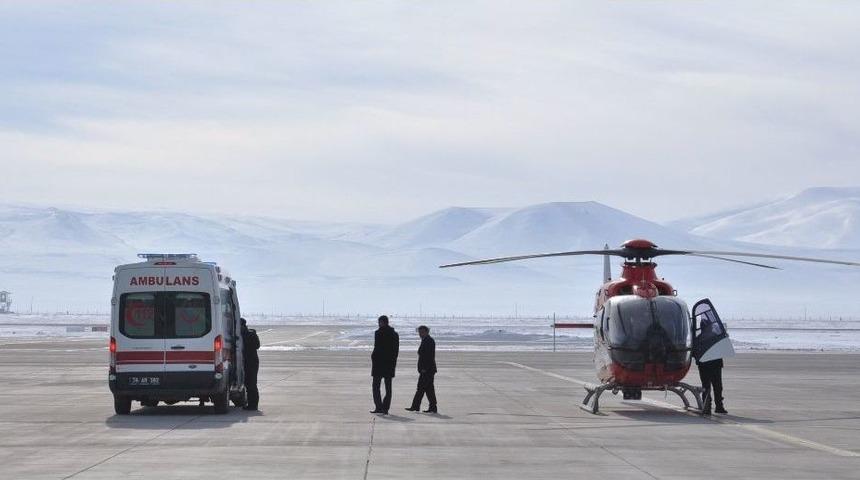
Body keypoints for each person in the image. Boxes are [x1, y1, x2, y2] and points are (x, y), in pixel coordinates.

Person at [370, 315, 399, 414]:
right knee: (388, 388)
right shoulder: (394, 334)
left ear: (383, 322)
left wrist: (373, 357)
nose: (379, 324)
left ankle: (379, 407)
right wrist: (393, 362)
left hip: (379, 363)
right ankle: (385, 408)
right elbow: (396, 351)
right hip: (389, 364)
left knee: (376, 387)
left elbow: (377, 348)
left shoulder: (378, 333)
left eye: (379, 322)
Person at [406, 325, 437, 413]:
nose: (420, 334)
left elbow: (429, 357)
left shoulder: (429, 341)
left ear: (427, 332)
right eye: (419, 332)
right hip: (428, 369)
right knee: (429, 389)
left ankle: (415, 406)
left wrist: (424, 368)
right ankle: (433, 407)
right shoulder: (426, 340)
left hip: (427, 370)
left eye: (422, 332)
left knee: (421, 388)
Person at [241, 318, 261, 411]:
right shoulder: (247, 334)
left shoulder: (250, 334)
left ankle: (253, 405)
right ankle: (251, 404)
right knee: (249, 384)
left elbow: (257, 345)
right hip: (248, 361)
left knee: (251, 384)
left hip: (251, 361)